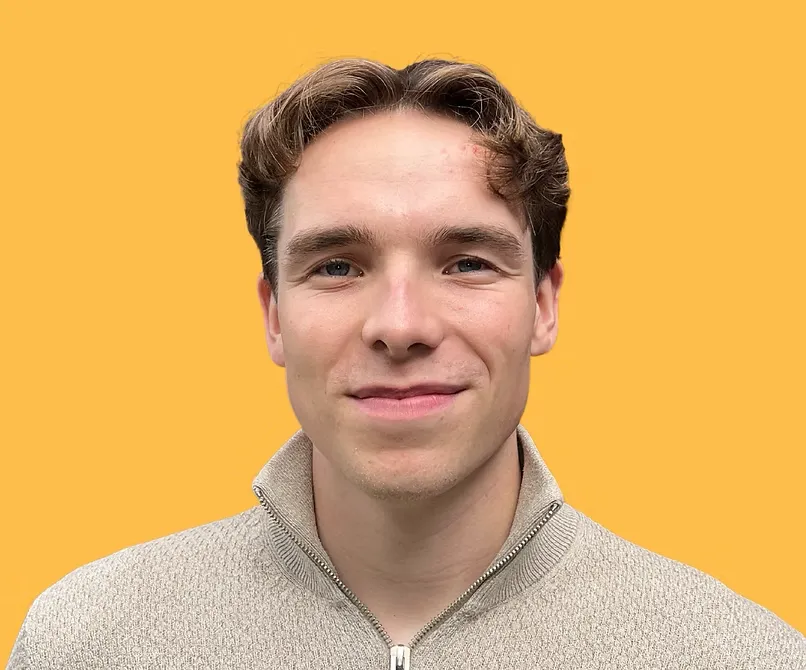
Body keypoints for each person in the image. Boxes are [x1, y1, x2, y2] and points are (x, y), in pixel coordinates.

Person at [7, 57, 805, 670]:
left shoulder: (738, 656)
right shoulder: (92, 641)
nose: (400, 326)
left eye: (466, 263)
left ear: (543, 305)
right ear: (274, 315)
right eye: (337, 266)